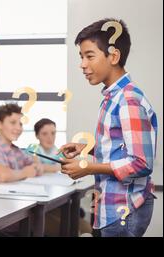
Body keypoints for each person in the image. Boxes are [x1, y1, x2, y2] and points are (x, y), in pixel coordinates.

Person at [60, 18, 157, 237]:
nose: (82, 64)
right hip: (112, 206)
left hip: (124, 208)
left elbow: (141, 163)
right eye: (81, 57)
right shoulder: (113, 96)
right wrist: (87, 148)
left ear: (113, 56)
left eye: (89, 56)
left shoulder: (127, 99)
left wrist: (88, 167)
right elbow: (122, 147)